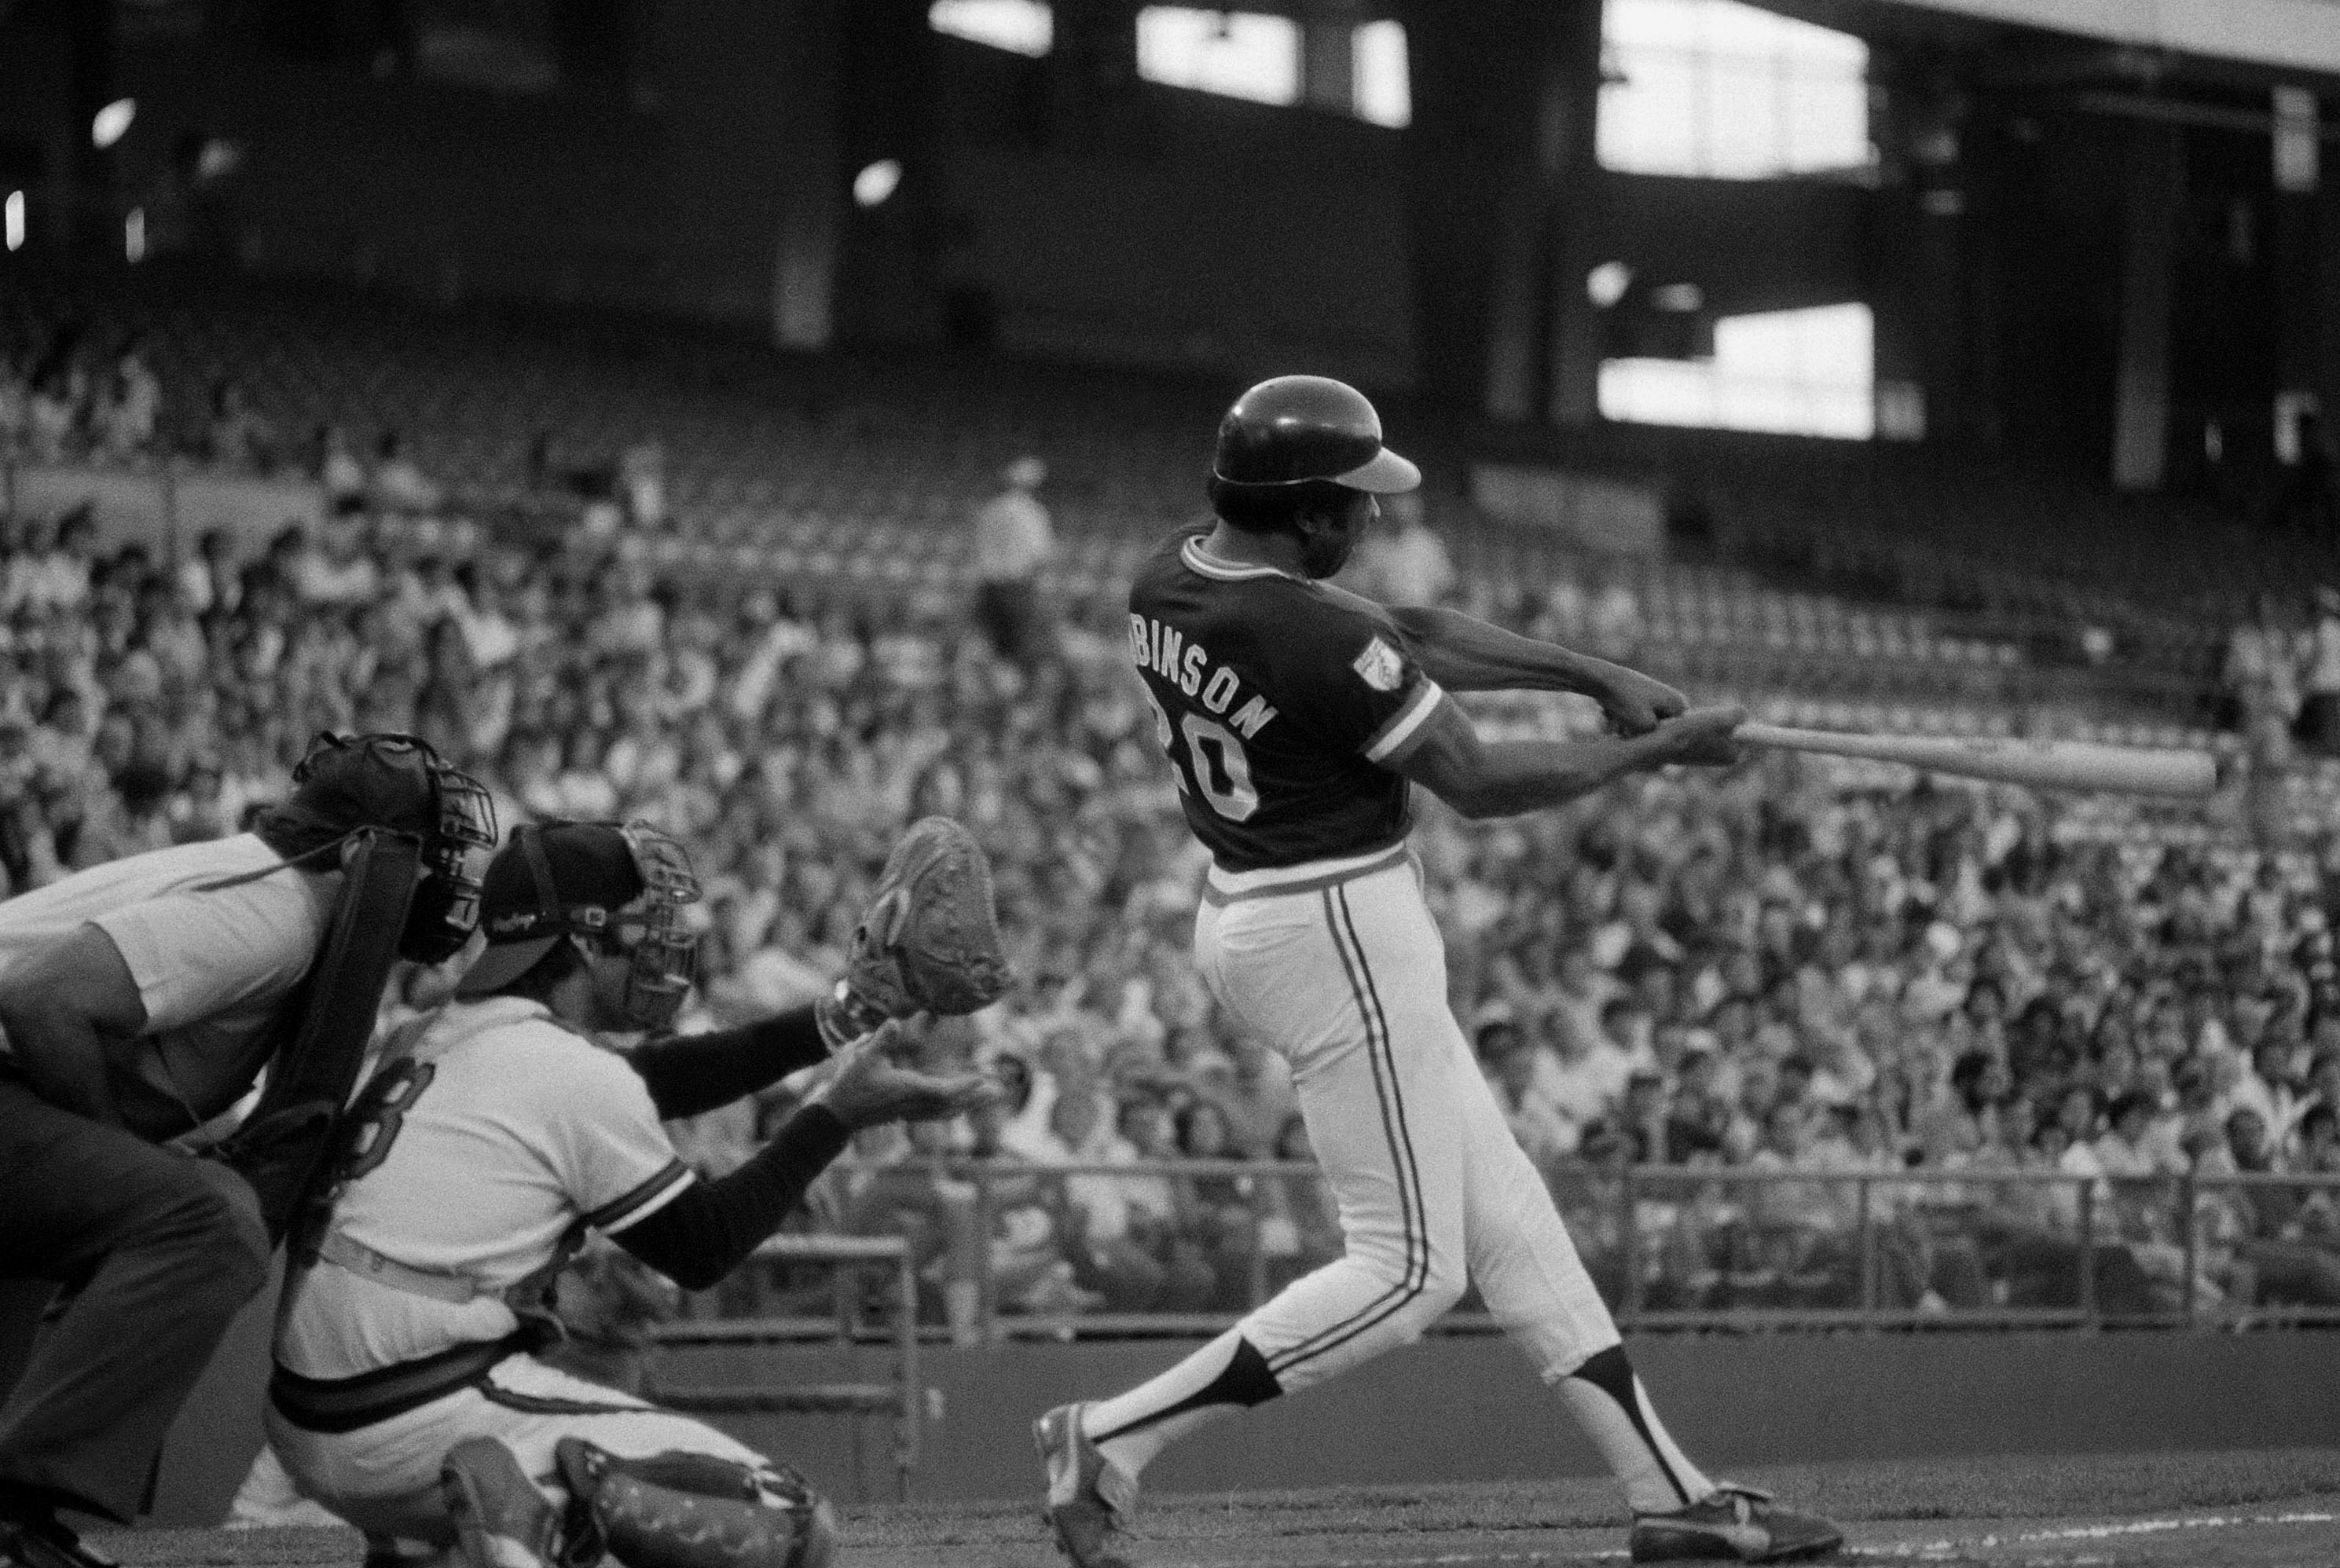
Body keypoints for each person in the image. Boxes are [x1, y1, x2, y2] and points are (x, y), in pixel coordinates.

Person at [1039, 375, 1839, 1566]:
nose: (1370, 521)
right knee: (1410, 1271)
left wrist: (1591, 676)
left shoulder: (1174, 571)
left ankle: (1666, 1493)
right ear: (1304, 511)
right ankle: (1105, 1437)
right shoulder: (1310, 631)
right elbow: (1475, 781)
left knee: (1507, 1214)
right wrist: (1659, 752)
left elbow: (1400, 641)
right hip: (1335, 927)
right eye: (1353, 503)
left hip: (1258, 908)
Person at [266, 819, 997, 1568]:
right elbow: (702, 1248)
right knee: (788, 1520)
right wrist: (836, 1116)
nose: (664, 942)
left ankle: (441, 1545)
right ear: (584, 941)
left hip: (311, 1419)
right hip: (417, 1410)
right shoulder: (570, 1074)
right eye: (641, 922)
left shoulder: (430, 1034)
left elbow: (657, 1080)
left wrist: (842, 1015)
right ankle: (528, 1519)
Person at [0, 733, 496, 1568]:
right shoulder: (274, 914)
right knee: (209, 1221)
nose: (440, 886)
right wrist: (120, 1147)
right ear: (360, 854)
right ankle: (19, 1514)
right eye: (428, 859)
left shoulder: (263, 888)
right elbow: (42, 1000)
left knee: (166, 1194)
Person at [971, 455, 1055, 668]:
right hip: (1017, 589)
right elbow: (1040, 555)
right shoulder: (1032, 512)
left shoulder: (990, 509)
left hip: (989, 586)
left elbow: (979, 547)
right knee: (1020, 651)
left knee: (991, 647)